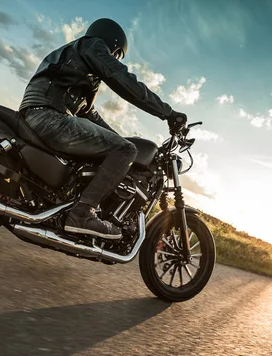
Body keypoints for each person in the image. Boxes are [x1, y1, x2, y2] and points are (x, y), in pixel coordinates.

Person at [19, 18, 187, 240]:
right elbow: (123, 79)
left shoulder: (77, 56)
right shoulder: (92, 46)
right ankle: (81, 214)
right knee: (125, 150)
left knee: (124, 148)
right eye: (117, 55)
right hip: (49, 115)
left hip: (39, 113)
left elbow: (88, 113)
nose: (115, 59)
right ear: (112, 44)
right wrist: (167, 113)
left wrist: (120, 141)